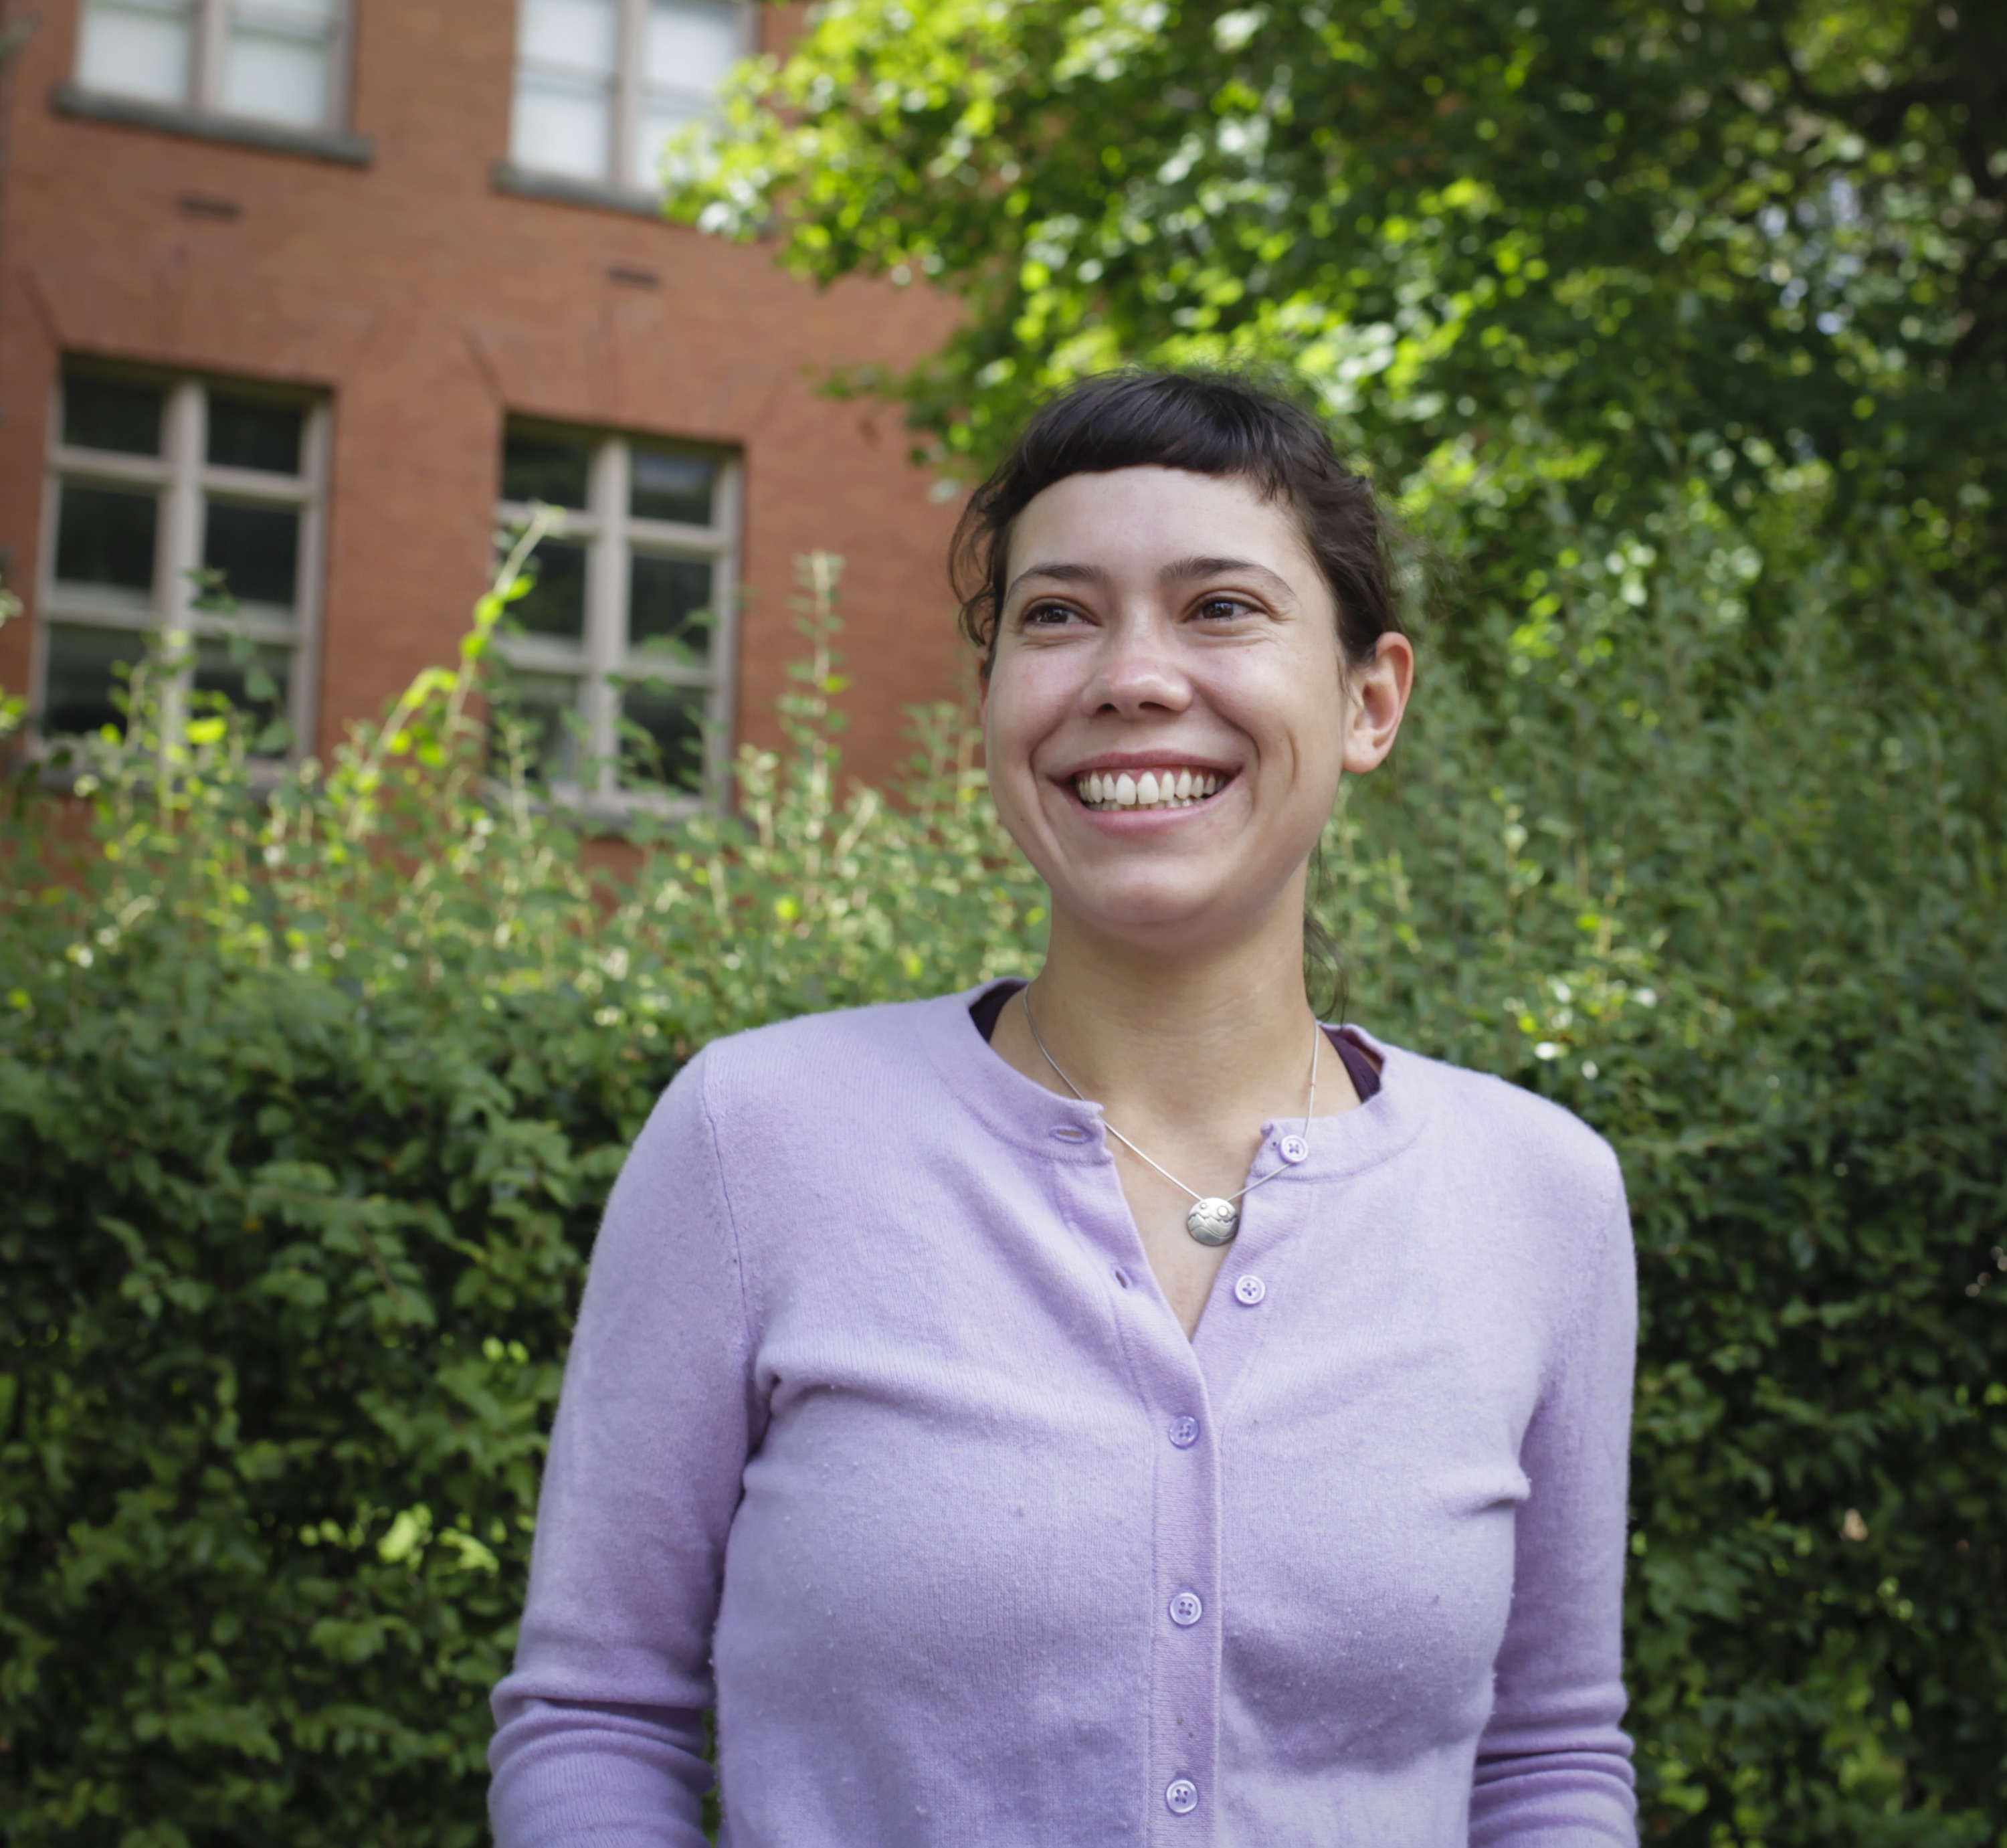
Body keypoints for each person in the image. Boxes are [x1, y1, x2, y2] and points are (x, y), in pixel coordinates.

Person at [488, 370, 1638, 1846]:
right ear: (990, 701)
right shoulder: (754, 1136)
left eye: (1221, 606)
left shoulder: (1541, 1195)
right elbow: (598, 1718)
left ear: (1370, 701)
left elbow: (1548, 1759)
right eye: (1057, 614)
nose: (1132, 675)